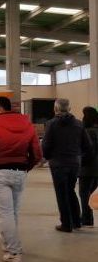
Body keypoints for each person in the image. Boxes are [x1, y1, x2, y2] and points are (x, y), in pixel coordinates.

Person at [0, 96, 42, 262]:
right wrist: (26, 167)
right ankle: (5, 239)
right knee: (13, 212)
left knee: (5, 213)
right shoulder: (27, 124)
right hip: (19, 172)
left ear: (0, 109)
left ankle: (15, 251)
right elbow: (37, 153)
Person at [42, 99, 93, 233]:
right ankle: (76, 221)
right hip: (74, 163)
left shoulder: (51, 124)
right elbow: (88, 146)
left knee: (61, 194)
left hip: (58, 164)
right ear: (69, 109)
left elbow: (46, 145)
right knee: (70, 191)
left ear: (55, 109)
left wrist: (48, 157)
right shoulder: (79, 124)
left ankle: (66, 224)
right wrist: (78, 157)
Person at [79, 106, 98, 227]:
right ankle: (88, 218)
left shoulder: (88, 132)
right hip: (96, 169)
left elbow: (89, 151)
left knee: (84, 193)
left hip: (88, 168)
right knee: (90, 193)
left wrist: (80, 162)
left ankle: (87, 218)